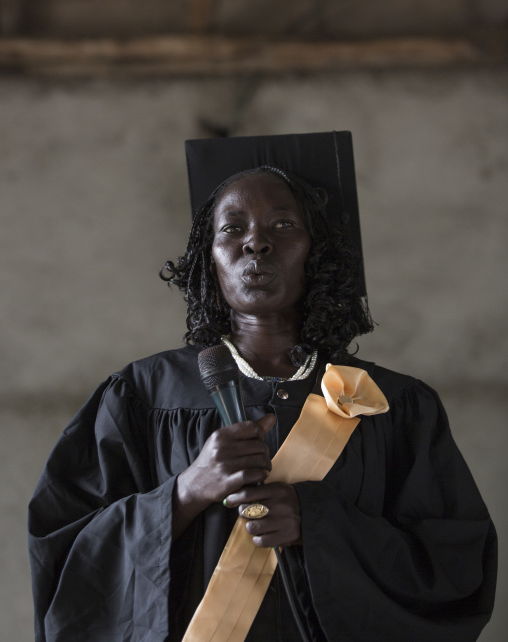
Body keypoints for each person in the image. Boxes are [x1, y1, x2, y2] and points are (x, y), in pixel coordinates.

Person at [29, 132, 497, 642]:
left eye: (283, 224)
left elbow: (454, 567)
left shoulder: (393, 406)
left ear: (316, 252)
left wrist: (317, 525)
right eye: (232, 228)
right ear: (209, 257)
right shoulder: (143, 396)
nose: (256, 241)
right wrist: (187, 491)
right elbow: (67, 561)